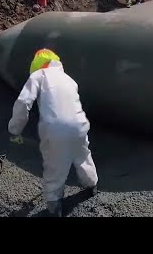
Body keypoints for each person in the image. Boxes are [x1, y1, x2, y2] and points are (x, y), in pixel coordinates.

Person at [8, 48, 98, 217]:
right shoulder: (69, 79)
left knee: (55, 167)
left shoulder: (39, 76)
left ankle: (54, 205)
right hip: (79, 124)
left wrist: (15, 129)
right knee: (83, 155)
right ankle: (91, 185)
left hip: (56, 128)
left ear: (37, 65)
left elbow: (23, 102)